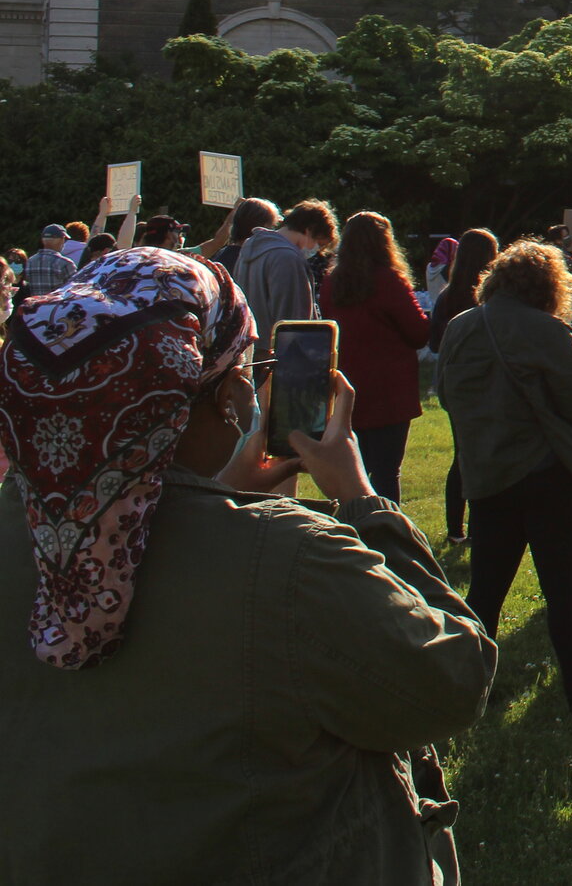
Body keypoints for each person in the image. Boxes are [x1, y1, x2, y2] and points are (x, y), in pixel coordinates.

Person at [0, 247, 494, 883]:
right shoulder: (290, 558)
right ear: (219, 395)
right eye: (245, 368)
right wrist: (362, 502)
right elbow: (451, 680)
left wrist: (222, 494)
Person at [437, 238, 572, 711]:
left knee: (485, 593)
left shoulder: (459, 327)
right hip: (546, 475)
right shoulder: (547, 330)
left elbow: (446, 395)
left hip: (487, 474)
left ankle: (466, 696)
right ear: (551, 287)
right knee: (563, 592)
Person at [320, 210, 431, 503]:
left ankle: (354, 525)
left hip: (348, 386)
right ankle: (387, 531)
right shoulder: (389, 280)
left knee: (355, 468)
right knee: (386, 472)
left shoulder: (332, 283)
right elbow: (418, 332)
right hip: (389, 389)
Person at [426, 227, 498, 544]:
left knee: (462, 456)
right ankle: (483, 525)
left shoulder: (447, 296)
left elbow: (434, 343)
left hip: (455, 384)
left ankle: (456, 529)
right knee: (487, 455)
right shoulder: (490, 298)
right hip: (487, 382)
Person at [235, 199, 335, 335]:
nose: (316, 250)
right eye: (318, 243)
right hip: (276, 349)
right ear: (309, 230)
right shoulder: (288, 258)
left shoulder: (250, 246)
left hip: (250, 343)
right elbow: (293, 319)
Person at [17, 225, 73, 296]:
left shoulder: (30, 261)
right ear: (60, 240)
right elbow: (74, 290)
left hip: (36, 305)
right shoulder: (66, 263)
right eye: (64, 239)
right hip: (57, 305)